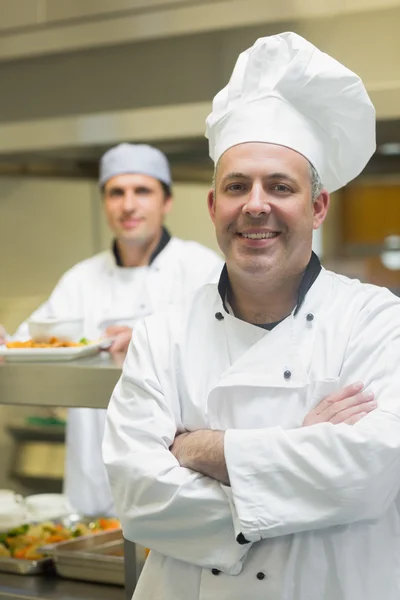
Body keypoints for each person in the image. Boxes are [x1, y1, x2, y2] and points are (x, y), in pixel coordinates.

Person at [103, 33, 400, 600]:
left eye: (280, 186)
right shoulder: (163, 332)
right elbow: (139, 501)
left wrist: (198, 450)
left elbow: (368, 477)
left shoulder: (378, 321)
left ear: (316, 207)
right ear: (214, 206)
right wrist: (300, 451)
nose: (255, 205)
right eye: (236, 186)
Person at [0, 143, 223, 515]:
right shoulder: (81, 279)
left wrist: (153, 342)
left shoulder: (202, 270)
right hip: (92, 479)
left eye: (142, 191)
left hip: (174, 480)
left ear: (166, 201)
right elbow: (29, 344)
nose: (128, 205)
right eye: (116, 192)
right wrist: (6, 342)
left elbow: (226, 357)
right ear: (104, 202)